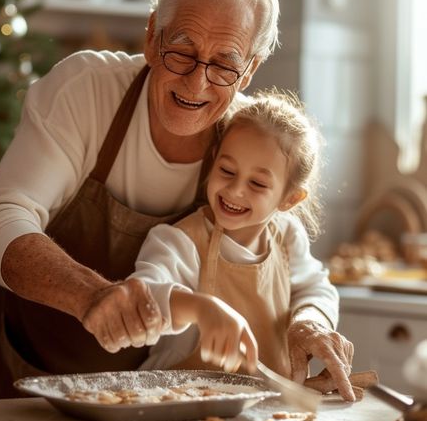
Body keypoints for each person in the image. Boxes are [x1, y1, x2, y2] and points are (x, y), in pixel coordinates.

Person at [0, 0, 354, 401]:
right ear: (151, 37)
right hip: (22, 372)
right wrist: (91, 294)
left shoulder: (247, 142)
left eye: (224, 64)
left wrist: (310, 322)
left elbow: (298, 268)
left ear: (250, 70)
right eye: (182, 51)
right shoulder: (86, 90)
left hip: (149, 402)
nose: (196, 84)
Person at [122, 89, 354, 398]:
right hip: (170, 405)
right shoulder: (178, 241)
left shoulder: (287, 236)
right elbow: (141, 297)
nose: (235, 190)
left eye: (257, 183)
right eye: (226, 171)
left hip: (264, 413)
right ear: (213, 159)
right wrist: (201, 309)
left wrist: (309, 322)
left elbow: (316, 289)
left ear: (289, 198)